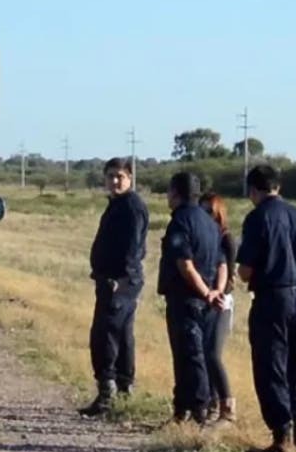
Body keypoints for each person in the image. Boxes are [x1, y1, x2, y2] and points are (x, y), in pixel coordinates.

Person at [237, 165, 296, 452]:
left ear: (252, 190)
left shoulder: (257, 218)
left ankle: (280, 438)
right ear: (278, 186)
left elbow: (245, 271)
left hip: (272, 298)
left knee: (270, 366)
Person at [79, 158, 149, 417]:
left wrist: (120, 279)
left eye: (120, 176)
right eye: (111, 176)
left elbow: (133, 248)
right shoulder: (118, 204)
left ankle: (108, 393)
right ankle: (122, 389)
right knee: (121, 334)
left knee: (105, 335)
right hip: (113, 280)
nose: (115, 181)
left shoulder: (131, 206)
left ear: (130, 178)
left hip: (120, 282)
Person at [156, 173, 227, 425]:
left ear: (175, 192)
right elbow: (222, 263)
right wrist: (217, 291)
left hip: (186, 299)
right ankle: (183, 410)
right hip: (208, 303)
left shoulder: (180, 221)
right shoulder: (209, 223)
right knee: (196, 354)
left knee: (189, 356)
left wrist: (205, 292)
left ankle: (198, 410)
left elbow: (185, 264)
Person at [199, 192, 237, 423]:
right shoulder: (203, 236)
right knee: (203, 354)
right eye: (201, 210)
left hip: (221, 300)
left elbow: (229, 274)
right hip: (203, 299)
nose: (205, 216)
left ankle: (227, 406)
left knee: (213, 353)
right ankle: (210, 403)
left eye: (209, 211)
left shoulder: (226, 239)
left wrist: (218, 292)